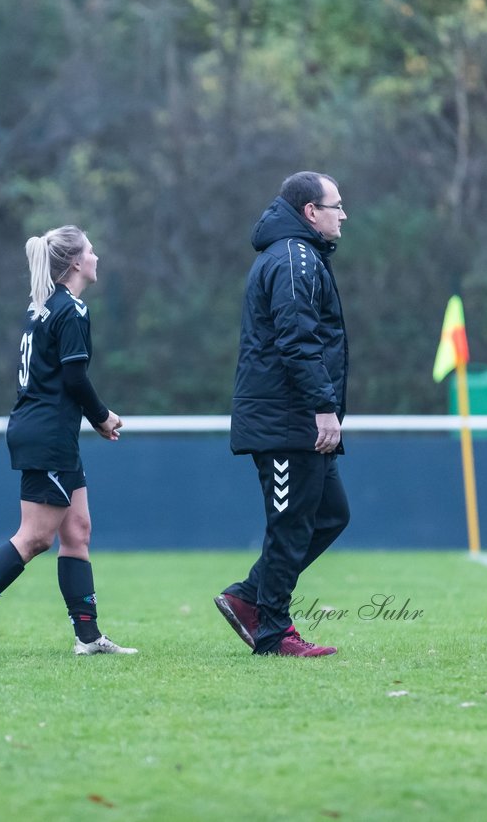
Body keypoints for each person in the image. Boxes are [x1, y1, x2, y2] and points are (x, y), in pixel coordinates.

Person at [0, 226, 135, 657]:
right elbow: (75, 377)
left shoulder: (44, 307)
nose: (97, 257)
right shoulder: (71, 309)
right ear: (76, 263)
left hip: (46, 431)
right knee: (36, 537)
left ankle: (88, 637)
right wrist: (102, 418)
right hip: (47, 435)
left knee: (77, 531)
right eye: (91, 251)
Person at [214, 171, 350, 658]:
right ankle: (272, 632)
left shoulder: (300, 255)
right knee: (290, 524)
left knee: (331, 515)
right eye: (336, 205)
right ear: (311, 212)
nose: (343, 215)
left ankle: (248, 597)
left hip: (293, 419)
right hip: (287, 421)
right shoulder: (294, 258)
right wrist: (323, 407)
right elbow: (296, 341)